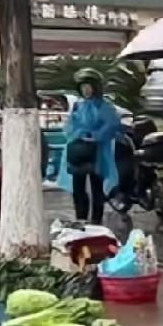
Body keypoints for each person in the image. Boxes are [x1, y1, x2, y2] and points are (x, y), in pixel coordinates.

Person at [57, 69, 121, 225]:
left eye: (89, 86)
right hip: (78, 152)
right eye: (83, 87)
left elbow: (112, 124)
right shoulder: (78, 106)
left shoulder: (105, 106)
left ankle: (97, 220)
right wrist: (80, 133)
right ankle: (81, 218)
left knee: (97, 188)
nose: (86, 90)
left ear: (95, 87)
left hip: (98, 152)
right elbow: (69, 126)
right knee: (78, 187)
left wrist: (95, 135)